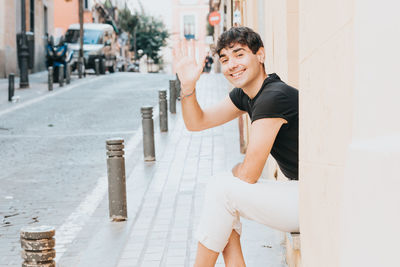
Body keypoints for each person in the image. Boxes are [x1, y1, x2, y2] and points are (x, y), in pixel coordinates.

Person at [174, 26, 299, 267]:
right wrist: (188, 87)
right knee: (221, 194)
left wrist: (235, 172)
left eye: (240, 54)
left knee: (222, 190)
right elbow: (196, 122)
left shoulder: (274, 97)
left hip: (313, 199)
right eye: (225, 59)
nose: (232, 64)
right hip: (298, 192)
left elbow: (249, 174)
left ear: (260, 55)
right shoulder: (246, 95)